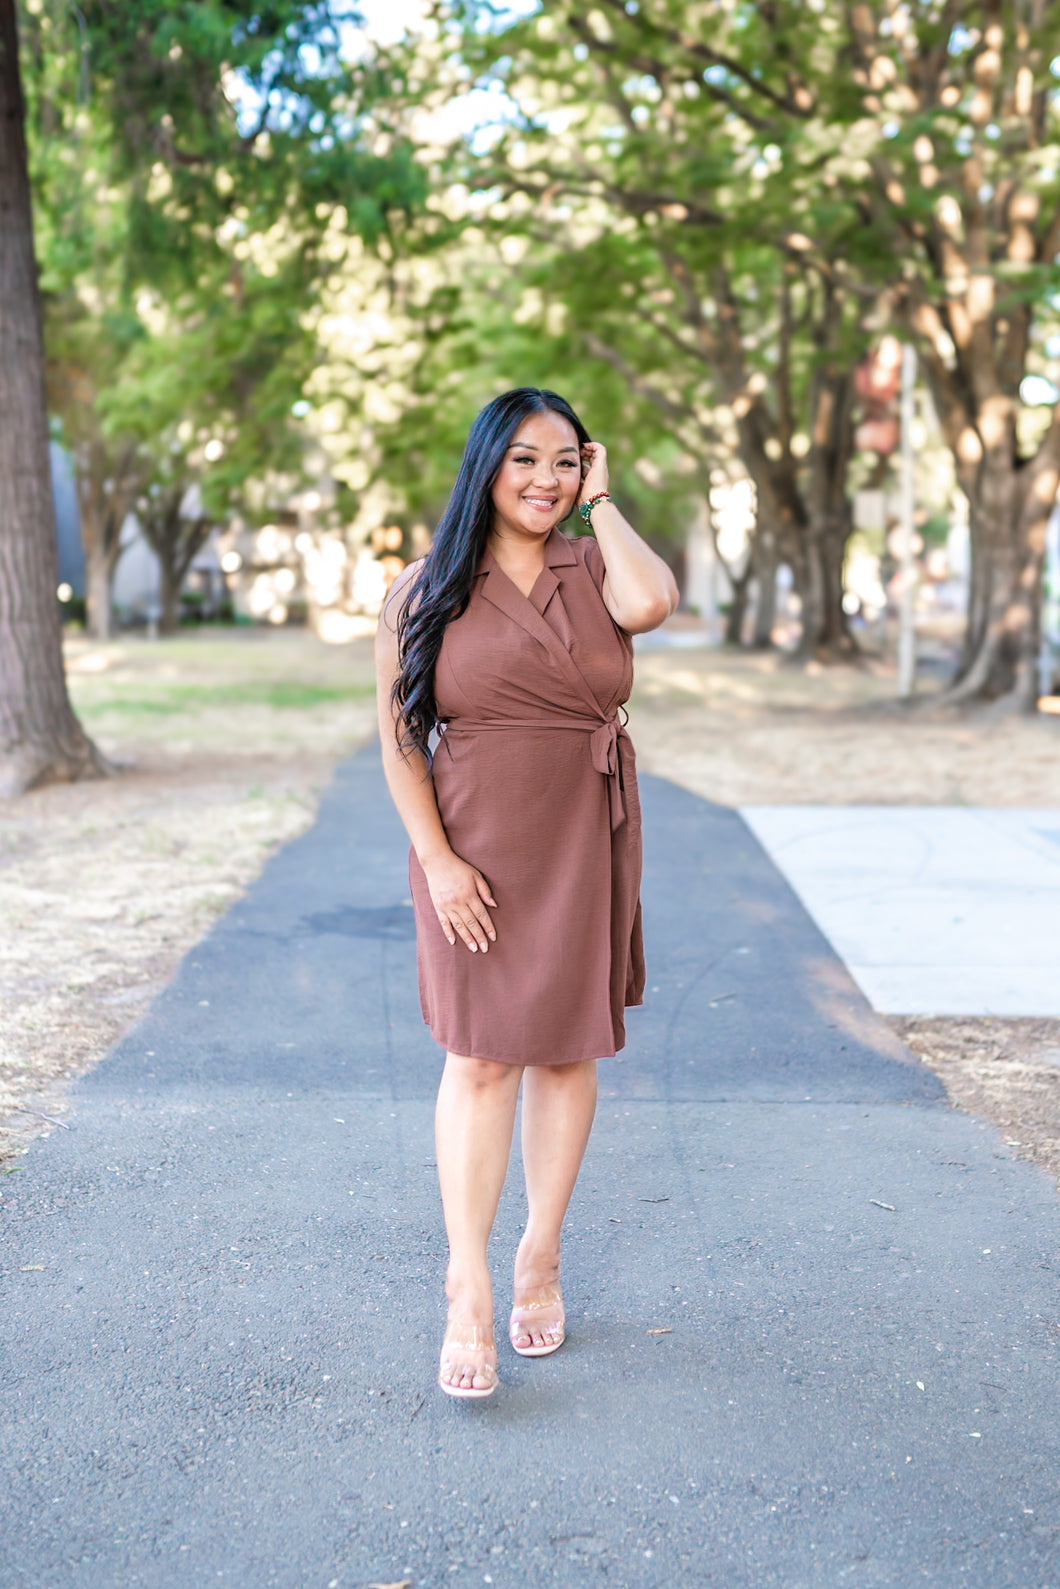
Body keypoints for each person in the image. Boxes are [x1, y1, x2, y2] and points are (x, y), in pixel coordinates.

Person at [375, 388, 678, 1398]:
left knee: (563, 1050)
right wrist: (437, 860)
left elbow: (653, 606)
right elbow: (399, 739)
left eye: (564, 460)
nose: (545, 479)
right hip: (472, 842)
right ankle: (467, 1281)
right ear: (485, 470)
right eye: (524, 461)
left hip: (582, 834)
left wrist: (603, 503)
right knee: (480, 1057)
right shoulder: (425, 587)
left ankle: (538, 1255)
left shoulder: (593, 564)